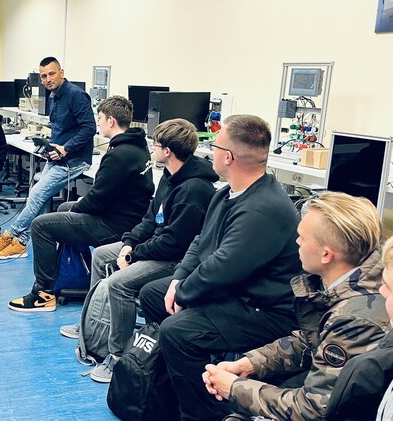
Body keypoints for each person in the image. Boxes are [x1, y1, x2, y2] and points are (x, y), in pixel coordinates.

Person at [137, 114, 302, 421]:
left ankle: (203, 412)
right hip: (236, 292)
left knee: (177, 332)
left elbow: (223, 267)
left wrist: (184, 293)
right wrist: (178, 279)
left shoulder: (263, 208)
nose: (209, 151)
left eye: (215, 146)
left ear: (228, 157)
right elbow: (202, 240)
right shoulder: (226, 194)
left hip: (264, 310)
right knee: (152, 294)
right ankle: (173, 389)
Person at [202, 192, 390, 421]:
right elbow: (312, 339)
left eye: (302, 237)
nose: (297, 242)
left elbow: (313, 409)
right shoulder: (353, 279)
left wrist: (234, 388)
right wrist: (251, 363)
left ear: (326, 254)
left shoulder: (355, 320)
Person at [60, 118, 219, 383]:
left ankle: (118, 356)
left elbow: (174, 243)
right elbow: (150, 218)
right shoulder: (170, 176)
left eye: (155, 145)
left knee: (119, 284)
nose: (152, 149)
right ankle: (91, 325)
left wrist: (134, 255)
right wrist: (130, 243)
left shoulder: (194, 190)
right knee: (101, 255)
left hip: (176, 259)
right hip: (157, 247)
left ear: (167, 150)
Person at [8, 96, 153, 312]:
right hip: (128, 217)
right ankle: (73, 275)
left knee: (41, 225)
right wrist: (78, 206)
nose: (98, 123)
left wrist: (78, 207)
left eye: (100, 118)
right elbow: (106, 193)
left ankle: (43, 294)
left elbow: (96, 200)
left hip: (115, 225)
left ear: (111, 121)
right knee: (63, 209)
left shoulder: (118, 155)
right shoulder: (138, 146)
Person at [0, 56, 96, 259]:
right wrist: (49, 145)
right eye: (44, 76)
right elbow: (61, 128)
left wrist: (65, 149)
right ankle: (21, 244)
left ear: (61, 73)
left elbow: (89, 128)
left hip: (74, 161)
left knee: (36, 194)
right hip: (57, 157)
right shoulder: (53, 97)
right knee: (39, 196)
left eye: (52, 74)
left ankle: (10, 235)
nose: (48, 79)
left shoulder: (76, 95)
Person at [320, 236, 393, 421]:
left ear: (327, 254)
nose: (381, 291)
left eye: (389, 287)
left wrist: (246, 390)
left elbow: (316, 404)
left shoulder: (368, 368)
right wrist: (256, 361)